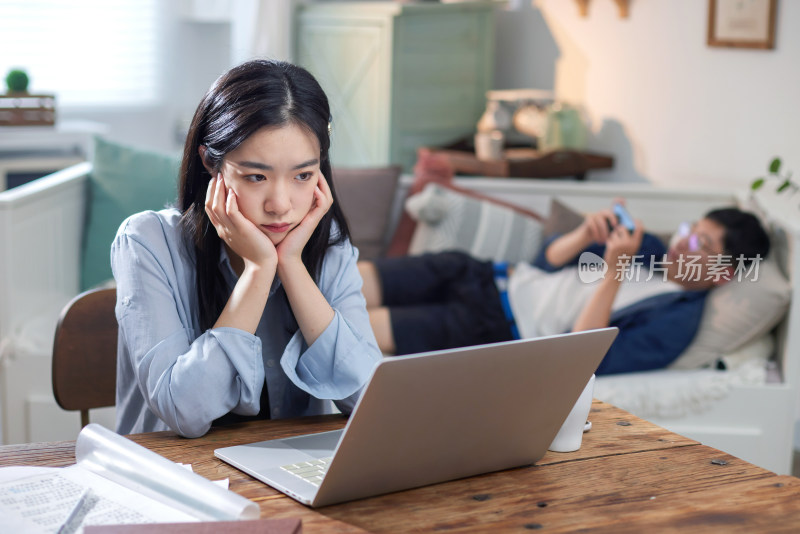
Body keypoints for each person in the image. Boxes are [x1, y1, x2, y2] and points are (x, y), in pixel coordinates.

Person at [112, 60, 382, 437]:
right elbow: (184, 411)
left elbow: (369, 397)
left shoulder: (324, 240)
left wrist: (290, 263)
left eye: (303, 175)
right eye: (256, 176)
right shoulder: (147, 242)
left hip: (284, 482)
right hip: (176, 481)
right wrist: (258, 270)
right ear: (211, 162)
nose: (281, 205)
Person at [359, 203, 770, 374]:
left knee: (359, 328)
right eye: (690, 230)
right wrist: (582, 234)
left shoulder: (676, 322)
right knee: (348, 280)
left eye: (702, 244)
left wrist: (613, 271)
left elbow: (581, 355)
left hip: (494, 327)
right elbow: (544, 261)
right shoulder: (649, 248)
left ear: (723, 273)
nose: (683, 243)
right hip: (488, 275)